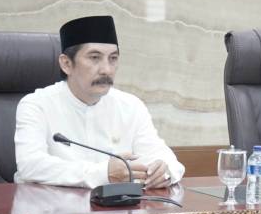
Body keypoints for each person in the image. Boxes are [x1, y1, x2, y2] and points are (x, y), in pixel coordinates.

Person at [14, 15, 185, 188]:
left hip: (116, 204)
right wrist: (103, 173)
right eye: (94, 58)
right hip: (50, 202)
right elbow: (31, 166)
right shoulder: (37, 105)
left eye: (113, 58)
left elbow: (166, 159)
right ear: (66, 64)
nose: (106, 70)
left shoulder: (131, 106)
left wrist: (164, 172)